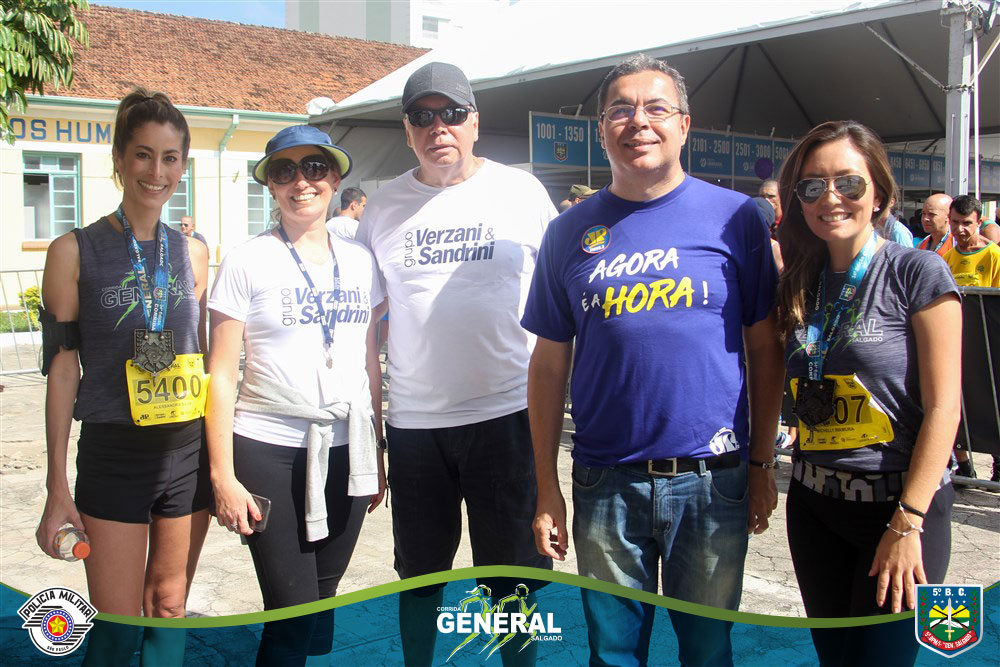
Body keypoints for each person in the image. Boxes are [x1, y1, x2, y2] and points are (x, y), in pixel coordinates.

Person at [523, 54, 784, 667]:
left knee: (707, 651)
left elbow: (765, 349)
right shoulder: (568, 233)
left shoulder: (737, 218)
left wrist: (762, 463)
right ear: (602, 130)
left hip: (713, 481)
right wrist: (546, 487)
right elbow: (548, 366)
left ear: (684, 125)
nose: (638, 121)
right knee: (612, 655)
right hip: (604, 483)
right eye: (621, 110)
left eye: (656, 108)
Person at [356, 61, 555, 666]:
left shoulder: (521, 192)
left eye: (452, 113)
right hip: (416, 426)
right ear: (407, 129)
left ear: (475, 122)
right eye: (422, 116)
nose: (437, 126)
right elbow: (361, 327)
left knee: (511, 580)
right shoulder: (383, 208)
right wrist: (370, 434)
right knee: (419, 576)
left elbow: (563, 301)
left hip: (507, 416)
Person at [36, 88, 211, 666]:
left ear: (182, 166)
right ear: (118, 158)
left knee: (169, 606)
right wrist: (56, 485)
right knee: (115, 628)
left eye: (169, 158)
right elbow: (63, 371)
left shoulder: (193, 254)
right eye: (142, 154)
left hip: (185, 449)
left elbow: (204, 356)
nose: (156, 172)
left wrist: (221, 465)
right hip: (114, 453)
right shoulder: (74, 251)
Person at [777, 120, 960, 666]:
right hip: (814, 506)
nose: (830, 197)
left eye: (848, 182)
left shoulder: (917, 272)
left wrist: (907, 522)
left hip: (899, 508)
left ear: (878, 192)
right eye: (812, 185)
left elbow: (945, 407)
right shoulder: (799, 281)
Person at [206, 124, 386, 665]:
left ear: (335, 178)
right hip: (268, 448)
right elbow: (221, 374)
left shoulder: (361, 261)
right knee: (292, 609)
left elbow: (368, 363)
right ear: (270, 185)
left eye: (314, 168)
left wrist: (377, 453)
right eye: (285, 171)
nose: (301, 182)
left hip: (347, 448)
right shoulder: (247, 260)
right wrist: (222, 476)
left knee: (323, 596)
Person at [942, 195, 1000, 484]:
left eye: (966, 223)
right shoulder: (946, 259)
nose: (960, 229)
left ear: (979, 222)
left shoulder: (993, 256)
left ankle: (997, 465)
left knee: (991, 404)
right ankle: (964, 466)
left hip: (987, 347)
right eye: (954, 222)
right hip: (955, 346)